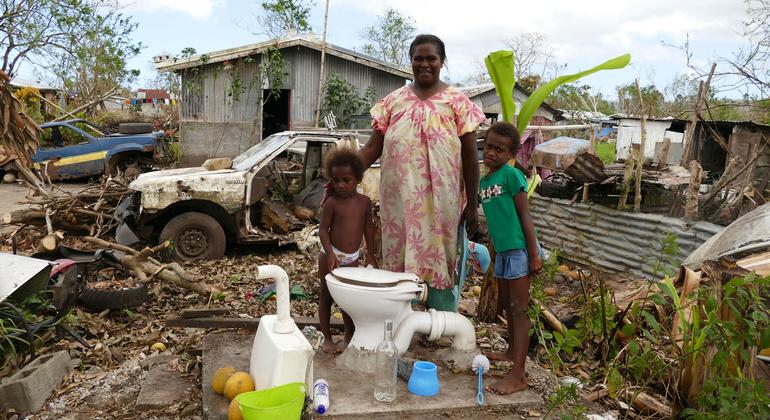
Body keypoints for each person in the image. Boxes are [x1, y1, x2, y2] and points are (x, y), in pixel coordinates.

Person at [358, 34, 486, 311]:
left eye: (431, 59)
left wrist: (473, 204)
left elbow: (470, 156)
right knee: (399, 259)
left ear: (442, 62)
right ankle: (400, 321)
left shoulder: (457, 103)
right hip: (399, 202)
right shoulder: (392, 103)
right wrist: (339, 173)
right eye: (419, 58)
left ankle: (439, 324)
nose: (425, 64)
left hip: (441, 203)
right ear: (411, 61)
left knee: (441, 257)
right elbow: (371, 149)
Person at [479, 122, 543, 395]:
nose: (492, 152)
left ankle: (518, 375)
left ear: (511, 153)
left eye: (499, 149)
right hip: (503, 252)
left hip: (519, 249)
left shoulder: (511, 176)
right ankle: (509, 353)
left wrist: (534, 254)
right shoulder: (485, 181)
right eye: (489, 146)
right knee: (508, 305)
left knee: (519, 310)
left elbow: (525, 217)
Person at [318, 147, 378, 353]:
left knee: (348, 300)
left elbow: (369, 229)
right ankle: (327, 338)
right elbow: (323, 231)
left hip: (352, 258)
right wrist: (330, 254)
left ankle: (348, 335)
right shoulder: (332, 204)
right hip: (330, 253)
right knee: (326, 297)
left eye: (347, 180)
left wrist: (371, 254)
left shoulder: (365, 203)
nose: (341, 185)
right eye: (336, 181)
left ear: (358, 179)